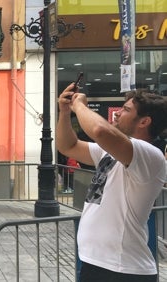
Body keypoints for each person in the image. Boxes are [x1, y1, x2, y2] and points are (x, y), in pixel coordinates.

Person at [56, 83, 167, 282]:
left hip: (123, 269)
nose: (117, 113)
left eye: (125, 110)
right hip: (97, 262)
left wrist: (80, 106)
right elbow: (68, 145)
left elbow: (100, 130)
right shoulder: (109, 152)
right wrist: (65, 113)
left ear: (144, 122)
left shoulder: (150, 155)